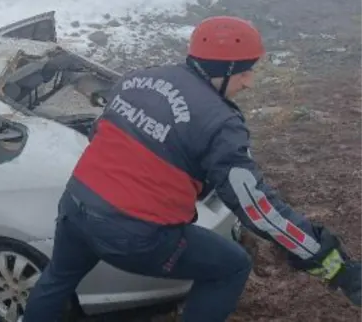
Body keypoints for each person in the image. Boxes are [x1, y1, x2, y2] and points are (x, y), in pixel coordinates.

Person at [19, 16, 362, 322]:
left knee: (58, 278)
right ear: (225, 70)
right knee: (232, 266)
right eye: (245, 71)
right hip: (135, 235)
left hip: (77, 206)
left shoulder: (139, 79)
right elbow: (257, 209)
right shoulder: (220, 123)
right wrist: (324, 259)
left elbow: (103, 135)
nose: (250, 82)